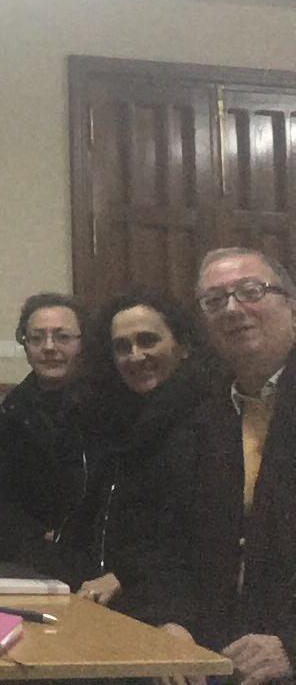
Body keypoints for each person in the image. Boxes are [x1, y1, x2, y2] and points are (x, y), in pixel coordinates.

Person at [189, 248, 296, 684]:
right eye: (215, 301)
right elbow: (177, 536)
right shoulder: (202, 411)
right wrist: (174, 618)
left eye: (250, 291)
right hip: (222, 647)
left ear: (291, 304)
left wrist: (291, 644)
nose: (232, 309)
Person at [69, 290, 201, 632]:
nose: (135, 356)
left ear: (183, 346)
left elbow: (190, 532)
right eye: (122, 347)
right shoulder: (115, 417)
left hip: (170, 610)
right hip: (108, 599)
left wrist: (123, 575)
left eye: (147, 341)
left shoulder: (204, 420)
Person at [0, 293, 93, 577]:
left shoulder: (105, 405)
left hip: (91, 554)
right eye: (37, 338)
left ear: (83, 343)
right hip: (27, 551)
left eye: (63, 337)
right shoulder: (14, 407)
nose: (49, 347)